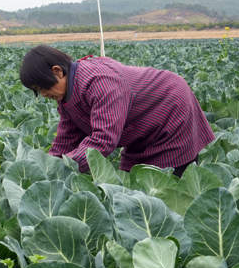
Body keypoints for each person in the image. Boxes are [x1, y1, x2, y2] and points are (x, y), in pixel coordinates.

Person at [19, 45, 215, 177]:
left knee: (170, 182)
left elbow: (103, 140)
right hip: (141, 126)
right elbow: (65, 140)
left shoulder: (99, 82)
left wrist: (63, 167)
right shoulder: (67, 94)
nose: (43, 94)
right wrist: (45, 168)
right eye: (37, 91)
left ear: (57, 71)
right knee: (134, 180)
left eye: (42, 87)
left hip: (172, 108)